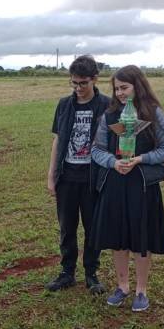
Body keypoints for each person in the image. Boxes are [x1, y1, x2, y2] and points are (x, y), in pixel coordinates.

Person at [90, 65, 164, 312]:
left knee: (141, 237)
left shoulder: (154, 113)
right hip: (115, 183)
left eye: (124, 87)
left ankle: (141, 290)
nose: (120, 93)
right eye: (116, 88)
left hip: (143, 185)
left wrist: (139, 159)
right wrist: (113, 163)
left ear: (138, 86)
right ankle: (122, 286)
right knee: (118, 238)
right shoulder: (109, 116)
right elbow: (97, 149)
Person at [45, 55, 110, 294]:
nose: (78, 88)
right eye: (74, 83)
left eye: (83, 83)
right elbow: (58, 140)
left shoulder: (106, 105)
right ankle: (67, 273)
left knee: (93, 227)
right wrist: (51, 175)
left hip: (94, 178)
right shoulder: (64, 105)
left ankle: (92, 274)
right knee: (67, 227)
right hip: (67, 177)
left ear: (94, 79)